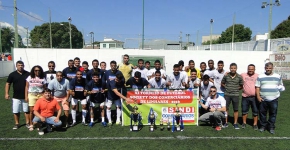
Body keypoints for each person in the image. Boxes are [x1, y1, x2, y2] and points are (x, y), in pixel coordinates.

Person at [256, 62, 285, 134]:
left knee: (273, 113)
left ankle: (271, 127)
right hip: (263, 99)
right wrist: (258, 96)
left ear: (272, 68)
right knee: (262, 114)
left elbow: (281, 85)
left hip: (274, 99)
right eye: (267, 68)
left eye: (269, 68)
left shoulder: (277, 76)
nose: (268, 69)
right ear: (265, 68)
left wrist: (281, 88)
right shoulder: (260, 76)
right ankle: (263, 126)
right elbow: (257, 87)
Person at [5, 61, 30, 130]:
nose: (20, 66)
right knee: (16, 111)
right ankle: (17, 123)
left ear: (24, 66)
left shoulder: (28, 74)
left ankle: (27, 123)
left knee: (26, 110)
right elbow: (8, 84)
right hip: (16, 96)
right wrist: (6, 93)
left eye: (22, 65)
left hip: (26, 96)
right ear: (16, 66)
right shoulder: (12, 74)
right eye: (19, 65)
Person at [221, 63, 243, 129]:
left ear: (236, 68)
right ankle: (226, 122)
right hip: (227, 94)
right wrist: (226, 87)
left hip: (235, 95)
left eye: (234, 68)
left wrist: (236, 89)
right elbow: (222, 83)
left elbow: (241, 85)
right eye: (231, 68)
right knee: (226, 109)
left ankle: (235, 123)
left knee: (235, 109)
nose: (233, 69)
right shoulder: (226, 75)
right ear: (230, 68)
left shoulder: (239, 76)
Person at [25, 65, 46, 131]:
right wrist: (26, 96)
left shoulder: (43, 78)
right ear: (33, 71)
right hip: (32, 95)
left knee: (39, 111)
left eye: (39, 70)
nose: (37, 72)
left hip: (40, 95)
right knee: (32, 111)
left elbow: (45, 88)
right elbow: (26, 87)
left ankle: (38, 124)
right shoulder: (29, 77)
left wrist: (44, 96)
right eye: (36, 70)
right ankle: (31, 124)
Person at [241, 64, 259, 130]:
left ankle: (255, 124)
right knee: (244, 110)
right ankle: (244, 123)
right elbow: (235, 75)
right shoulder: (243, 75)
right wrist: (227, 72)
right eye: (249, 69)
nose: (250, 70)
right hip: (245, 97)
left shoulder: (258, 76)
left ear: (254, 69)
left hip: (254, 97)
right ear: (247, 69)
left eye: (252, 69)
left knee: (255, 111)